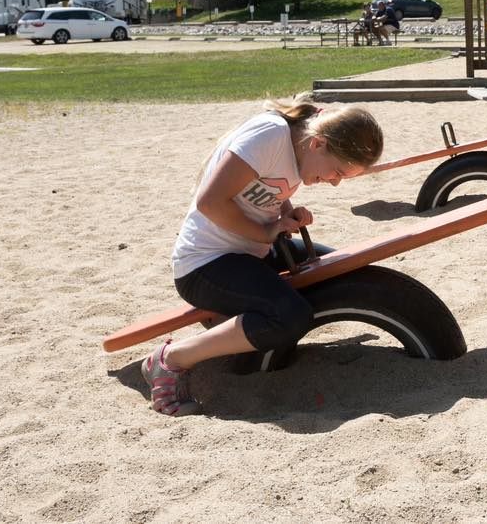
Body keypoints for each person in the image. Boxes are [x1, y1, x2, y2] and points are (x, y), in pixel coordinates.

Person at [141, 100, 384, 415]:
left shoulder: (300, 147)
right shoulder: (270, 136)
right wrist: (267, 232)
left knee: (341, 267)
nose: (336, 182)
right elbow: (210, 201)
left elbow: (266, 187)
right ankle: (170, 359)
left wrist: (286, 211)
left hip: (253, 254)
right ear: (318, 142)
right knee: (289, 315)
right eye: (337, 172)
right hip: (205, 265)